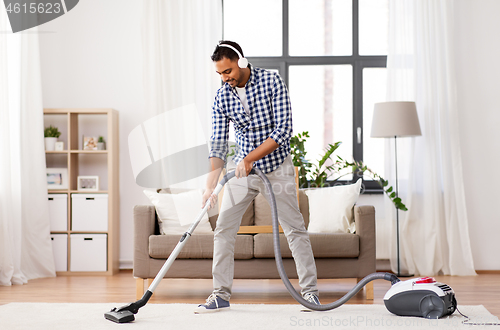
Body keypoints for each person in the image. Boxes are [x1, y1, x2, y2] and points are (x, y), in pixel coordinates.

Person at [194, 41, 320, 314]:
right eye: (219, 74)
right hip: (242, 172)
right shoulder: (222, 97)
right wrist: (209, 187)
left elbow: (284, 129)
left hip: (277, 168)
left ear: (241, 61)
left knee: (295, 229)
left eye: (227, 71)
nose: (225, 78)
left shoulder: (272, 81)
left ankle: (310, 294)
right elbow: (217, 145)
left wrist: (250, 158)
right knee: (224, 228)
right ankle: (220, 294)